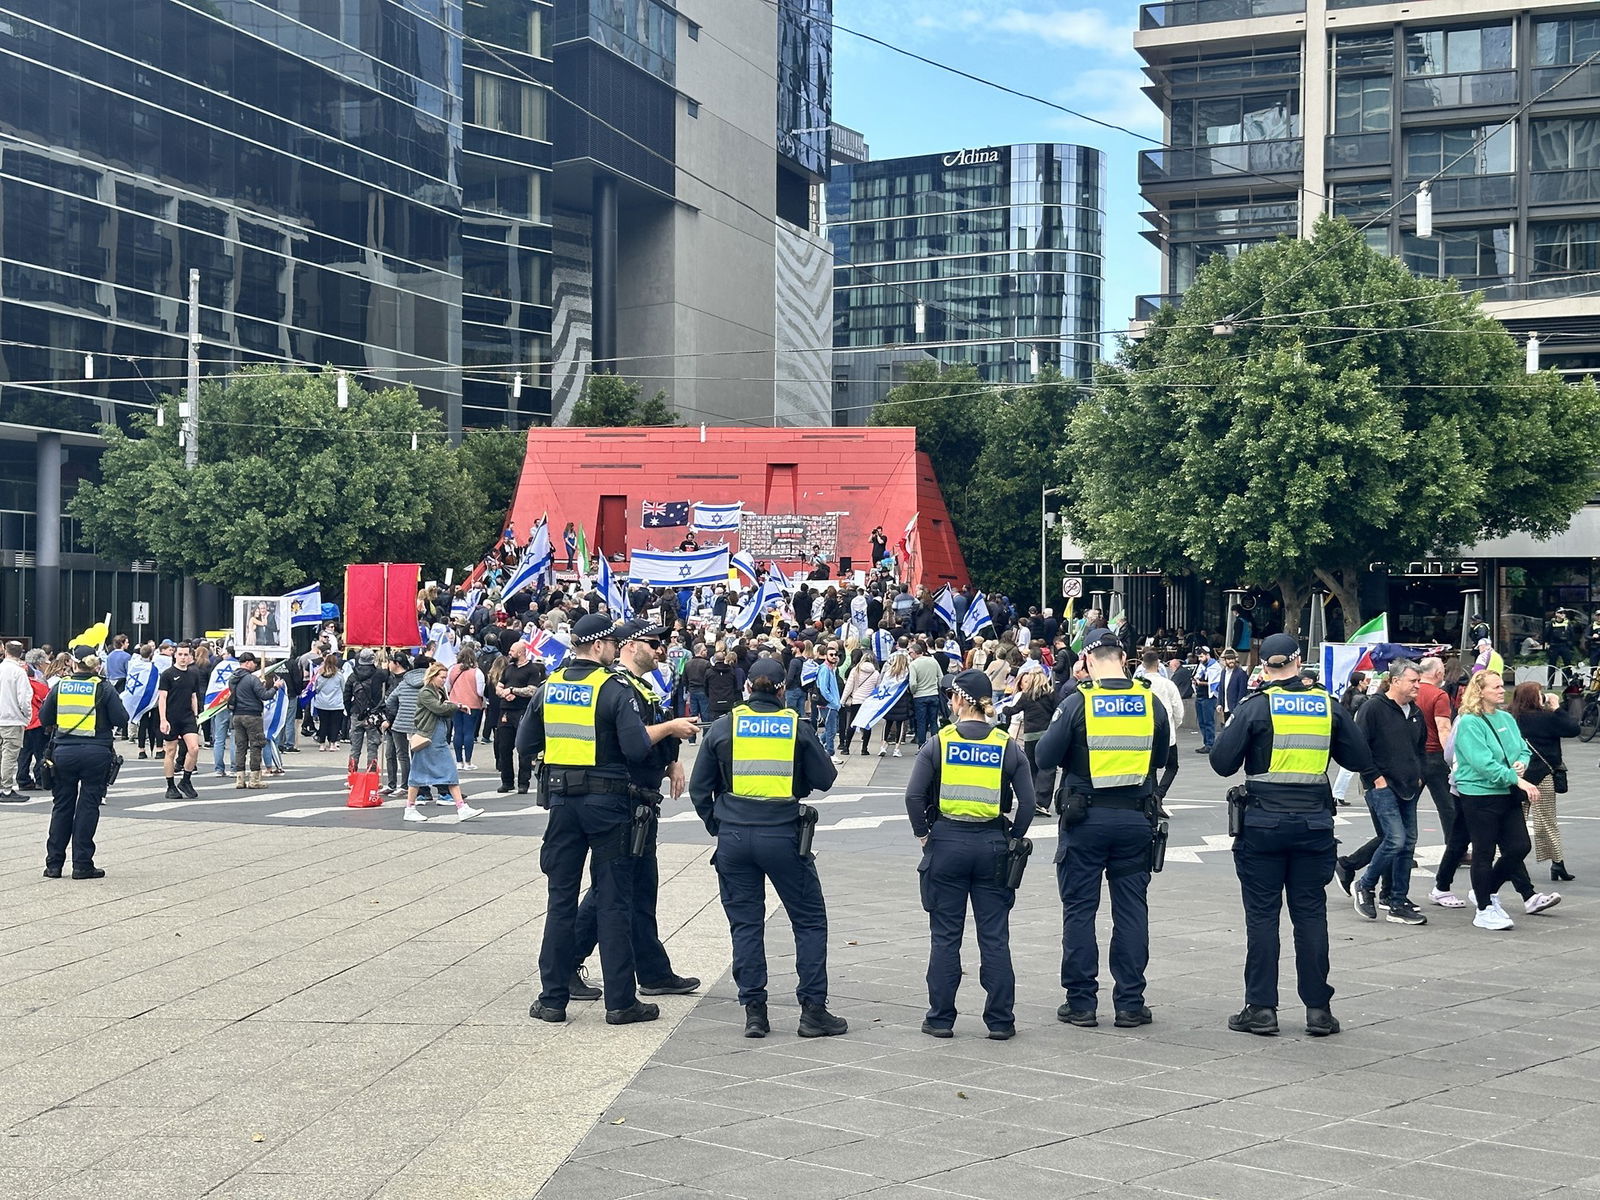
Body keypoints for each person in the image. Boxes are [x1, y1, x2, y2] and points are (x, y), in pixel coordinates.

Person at [1209, 633, 1373, 1037]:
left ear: (1263, 667)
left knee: (1263, 917)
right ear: (1299, 662)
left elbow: (1221, 762)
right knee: (1310, 913)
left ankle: (1261, 1008)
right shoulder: (1327, 707)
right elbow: (1358, 759)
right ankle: (1318, 1009)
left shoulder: (1255, 707)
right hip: (1314, 825)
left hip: (1262, 825)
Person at [522, 615, 671, 1025]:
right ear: (602, 646)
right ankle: (621, 1003)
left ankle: (552, 1000)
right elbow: (637, 748)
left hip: (561, 805)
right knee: (614, 901)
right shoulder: (612, 687)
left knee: (560, 902)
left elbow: (525, 743)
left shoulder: (550, 687)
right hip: (607, 805)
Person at [689, 657, 847, 1039]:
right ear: (780, 690)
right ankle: (812, 1011)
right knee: (808, 920)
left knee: (746, 924)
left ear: (748, 689)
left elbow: (699, 788)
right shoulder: (795, 727)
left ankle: (755, 1011)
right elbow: (826, 778)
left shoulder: (726, 726)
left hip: (734, 838)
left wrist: (720, 825)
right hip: (783, 836)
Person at [1034, 632, 1170, 1030]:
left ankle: (1081, 1003)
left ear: (1088, 663)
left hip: (1085, 820)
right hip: (1135, 820)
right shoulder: (1151, 702)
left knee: (1080, 910)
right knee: (1131, 910)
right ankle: (1130, 1003)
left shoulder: (1079, 701)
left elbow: (1043, 756)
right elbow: (1161, 758)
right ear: (1124, 658)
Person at [569, 622, 701, 1002]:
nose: (660, 650)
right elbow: (633, 741)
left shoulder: (641, 687)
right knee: (609, 890)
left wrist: (671, 761)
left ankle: (655, 971)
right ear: (628, 646)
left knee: (642, 888)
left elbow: (656, 731)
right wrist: (670, 731)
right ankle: (568, 963)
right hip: (622, 798)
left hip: (642, 797)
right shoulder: (618, 687)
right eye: (652, 643)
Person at [905, 670, 1035, 1039]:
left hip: (946, 843)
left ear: (961, 700)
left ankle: (940, 1018)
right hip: (993, 845)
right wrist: (1013, 835)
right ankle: (1000, 1021)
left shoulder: (939, 743)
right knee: (994, 936)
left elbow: (914, 796)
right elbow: (1027, 802)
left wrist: (923, 835)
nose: (949, 703)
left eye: (952, 697)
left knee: (945, 936)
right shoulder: (1006, 744)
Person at [1452, 671, 1543, 931]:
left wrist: (1521, 763)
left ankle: (1486, 890)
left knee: (1519, 846)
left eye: (1502, 685)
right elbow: (1482, 763)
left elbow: (1524, 748)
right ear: (1480, 691)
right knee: (1484, 851)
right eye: (1496, 687)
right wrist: (1517, 779)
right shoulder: (1470, 722)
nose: (1502, 690)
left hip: (1506, 793)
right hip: (1480, 794)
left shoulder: (1506, 718)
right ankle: (1483, 909)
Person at [39, 647, 130, 879]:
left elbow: (44, 718)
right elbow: (122, 718)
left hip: (64, 752)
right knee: (89, 805)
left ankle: (54, 864)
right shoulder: (103, 687)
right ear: (95, 664)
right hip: (96, 752)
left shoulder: (61, 686)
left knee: (61, 806)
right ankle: (82, 864)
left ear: (73, 663)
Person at [1350, 661, 1427, 926]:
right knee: (1395, 839)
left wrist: (1419, 776)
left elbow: (1420, 747)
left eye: (1419, 681)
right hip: (1382, 786)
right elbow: (1358, 747)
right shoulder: (1373, 708)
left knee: (1407, 845)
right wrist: (1375, 778)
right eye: (1413, 681)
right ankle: (1365, 884)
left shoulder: (1415, 712)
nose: (1418, 685)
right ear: (1395, 681)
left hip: (1409, 786)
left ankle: (1397, 901)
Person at [1510, 681, 1576, 886]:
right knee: (1547, 821)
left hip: (1518, 775)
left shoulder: (1512, 718)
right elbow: (1573, 728)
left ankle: (1508, 859)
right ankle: (1557, 862)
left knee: (1513, 820)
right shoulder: (1547, 718)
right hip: (1543, 774)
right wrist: (1556, 707)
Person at [403, 662, 483, 823]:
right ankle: (412, 808)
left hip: (436, 737)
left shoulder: (438, 691)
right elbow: (439, 709)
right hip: (429, 737)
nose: (444, 680)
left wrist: (453, 706)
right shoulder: (426, 692)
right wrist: (455, 706)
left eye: (445, 677)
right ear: (432, 676)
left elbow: (443, 708)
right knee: (426, 774)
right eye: (442, 677)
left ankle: (460, 807)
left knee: (441, 773)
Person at [493, 640, 540, 795]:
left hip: (522, 711)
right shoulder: (508, 669)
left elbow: (532, 690)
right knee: (504, 747)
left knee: (523, 749)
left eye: (512, 651)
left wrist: (513, 690)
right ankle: (506, 781)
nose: (510, 654)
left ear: (520, 652)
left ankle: (523, 782)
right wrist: (505, 693)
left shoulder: (532, 670)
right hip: (505, 710)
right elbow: (499, 687)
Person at [157, 643, 202, 799]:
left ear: (190, 656)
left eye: (186, 655)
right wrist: (163, 719)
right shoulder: (167, 674)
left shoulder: (193, 674)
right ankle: (170, 785)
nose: (183, 658)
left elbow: (194, 696)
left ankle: (186, 780)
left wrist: (196, 716)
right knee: (170, 751)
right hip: (171, 717)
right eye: (180, 654)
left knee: (194, 748)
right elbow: (162, 698)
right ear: (175, 655)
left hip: (188, 717)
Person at [230, 652, 277, 790]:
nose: (255, 665)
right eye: (253, 663)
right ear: (248, 663)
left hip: (237, 715)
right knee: (256, 746)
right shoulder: (252, 679)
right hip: (252, 715)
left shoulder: (233, 678)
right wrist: (275, 687)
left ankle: (239, 779)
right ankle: (254, 779)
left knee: (240, 747)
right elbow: (264, 695)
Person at [344, 649, 386, 774]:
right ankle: (371, 774)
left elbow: (346, 695)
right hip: (373, 714)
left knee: (355, 747)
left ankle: (352, 774)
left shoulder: (353, 675)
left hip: (356, 713)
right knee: (373, 746)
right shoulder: (379, 674)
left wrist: (349, 710)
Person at [0, 640, 31, 800]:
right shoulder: (18, 672)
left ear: (5, 650)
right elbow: (24, 699)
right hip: (12, 719)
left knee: (2, 755)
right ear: (21, 653)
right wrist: (26, 716)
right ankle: (5, 789)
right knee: (10, 755)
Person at [447, 647, 485, 770]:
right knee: (469, 732)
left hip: (455, 703)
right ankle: (468, 762)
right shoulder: (477, 672)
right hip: (472, 705)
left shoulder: (452, 670)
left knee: (458, 731)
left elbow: (447, 686)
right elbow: (480, 692)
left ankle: (459, 761)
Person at [311, 654, 345, 750]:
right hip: (336, 704)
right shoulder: (339, 675)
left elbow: (317, 689)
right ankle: (332, 744)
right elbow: (343, 688)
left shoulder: (320, 675)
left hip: (322, 703)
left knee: (323, 723)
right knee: (335, 724)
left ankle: (322, 744)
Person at [1193, 647, 1219, 751]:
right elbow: (1197, 675)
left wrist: (1200, 682)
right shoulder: (1202, 665)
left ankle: (1210, 744)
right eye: (1199, 656)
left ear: (1207, 655)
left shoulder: (1215, 667)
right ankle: (1206, 743)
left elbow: (1214, 684)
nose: (1200, 659)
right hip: (1200, 695)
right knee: (1201, 722)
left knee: (1208, 722)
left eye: (1201, 656)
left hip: (1209, 697)